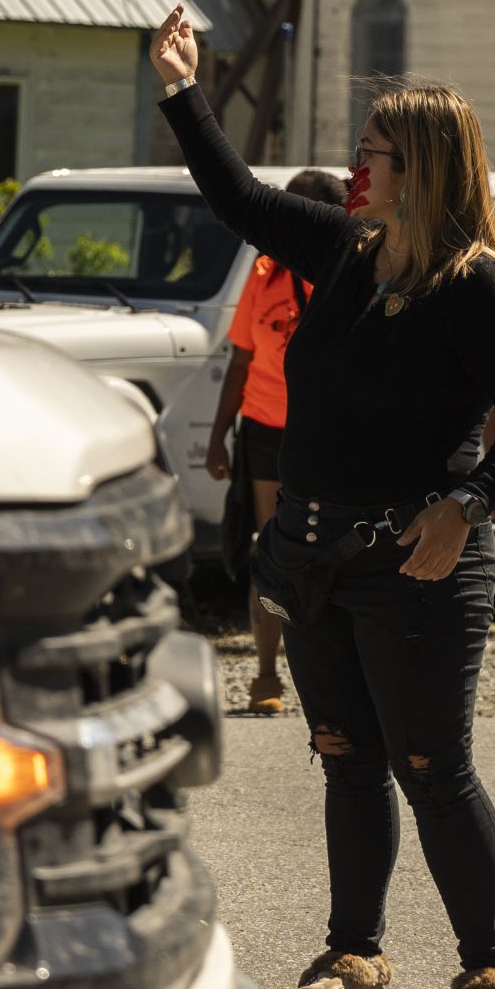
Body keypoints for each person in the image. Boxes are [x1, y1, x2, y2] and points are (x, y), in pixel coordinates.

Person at [148, 5, 495, 989]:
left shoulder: (483, 289)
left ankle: (490, 969)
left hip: (418, 563)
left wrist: (466, 509)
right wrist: (179, 88)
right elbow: (237, 196)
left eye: (372, 153)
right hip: (314, 555)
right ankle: (356, 953)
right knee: (343, 753)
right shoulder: (341, 251)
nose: (354, 168)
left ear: (422, 166)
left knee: (432, 768)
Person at [206, 167, 352, 717]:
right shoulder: (264, 274)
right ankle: (266, 676)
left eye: (296, 210)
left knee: (333, 549)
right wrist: (219, 438)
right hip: (268, 429)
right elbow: (240, 358)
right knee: (271, 551)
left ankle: (335, 676)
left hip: (332, 431)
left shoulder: (352, 267)